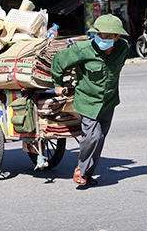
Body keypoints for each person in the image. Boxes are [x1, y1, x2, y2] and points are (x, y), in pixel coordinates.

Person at [50, 14, 129, 187]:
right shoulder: (83, 49)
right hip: (87, 100)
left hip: (109, 101)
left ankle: (87, 174)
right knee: (94, 136)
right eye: (99, 35)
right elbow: (59, 61)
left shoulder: (123, 48)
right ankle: (80, 168)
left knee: (100, 139)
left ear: (117, 37)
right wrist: (57, 83)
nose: (102, 39)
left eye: (108, 36)